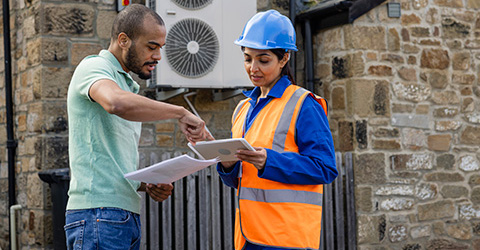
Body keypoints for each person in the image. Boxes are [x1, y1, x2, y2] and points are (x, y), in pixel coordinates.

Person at [64, 4, 212, 250]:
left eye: (160, 48)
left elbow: (108, 161)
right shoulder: (94, 68)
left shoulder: (126, 84)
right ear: (124, 40)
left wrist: (146, 184)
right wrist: (180, 112)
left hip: (121, 216)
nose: (158, 56)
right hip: (97, 216)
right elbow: (115, 102)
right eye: (151, 46)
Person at [217, 10, 338, 250]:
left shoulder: (304, 103)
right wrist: (227, 165)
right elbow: (242, 182)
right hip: (248, 237)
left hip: (286, 238)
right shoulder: (242, 109)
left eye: (263, 60)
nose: (253, 68)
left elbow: (325, 168)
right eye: (247, 58)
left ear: (284, 60)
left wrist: (267, 161)